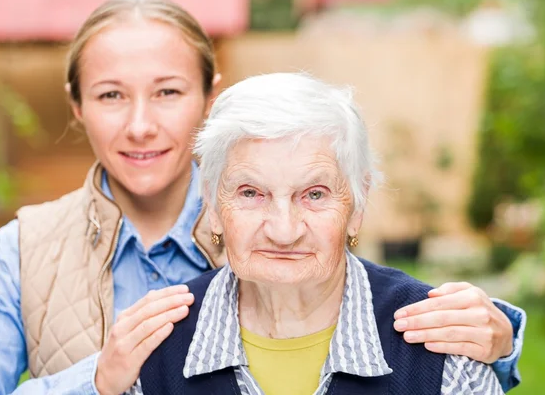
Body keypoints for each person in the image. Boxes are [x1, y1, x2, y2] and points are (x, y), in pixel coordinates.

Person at [0, 0, 524, 395]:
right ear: (77, 106)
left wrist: (501, 342)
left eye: (169, 91)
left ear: (209, 97)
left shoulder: (271, 218)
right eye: (110, 96)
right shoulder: (25, 249)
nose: (141, 125)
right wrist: (97, 379)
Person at [138, 72, 511, 395]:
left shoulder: (440, 342)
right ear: (213, 206)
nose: (284, 231)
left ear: (357, 206)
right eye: (251, 193)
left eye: (315, 194)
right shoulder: (158, 346)